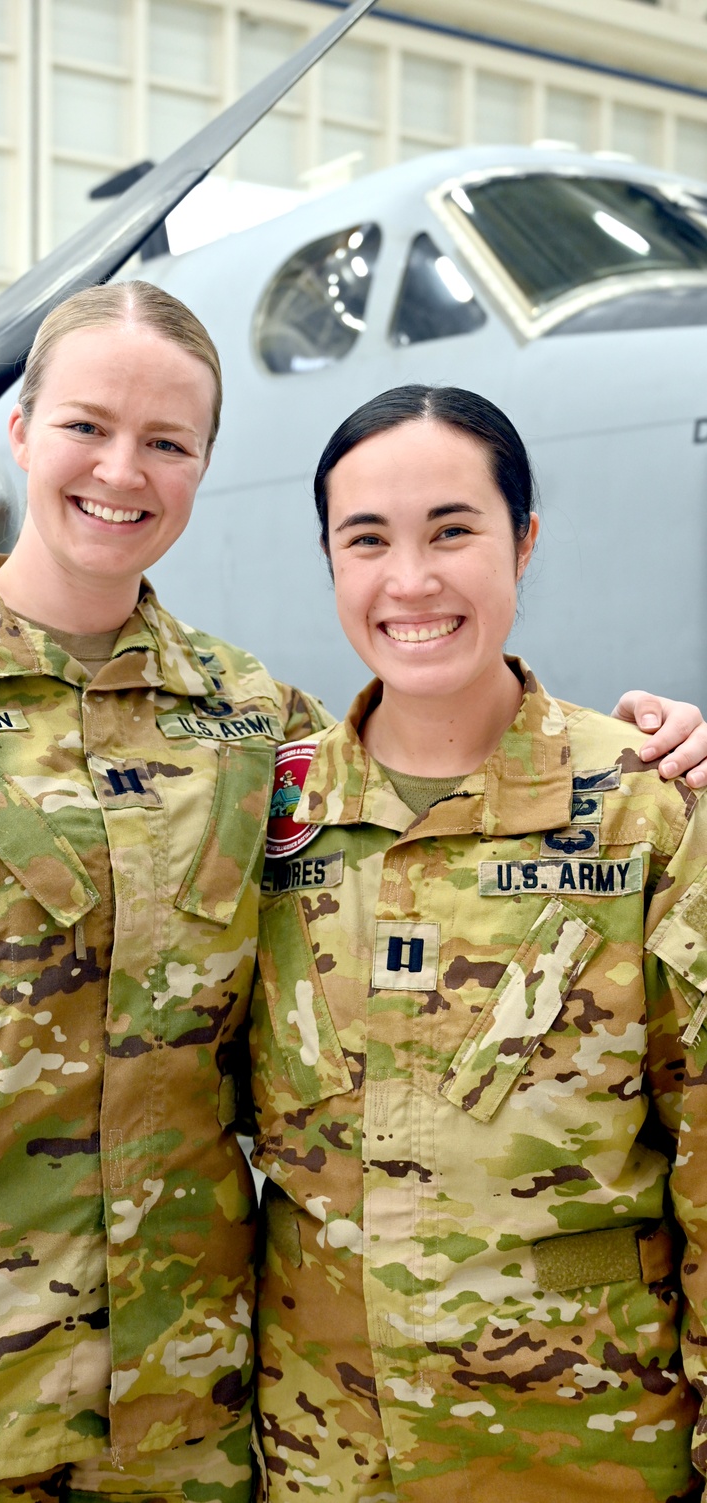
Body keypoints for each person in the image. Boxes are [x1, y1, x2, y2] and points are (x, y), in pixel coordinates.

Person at [0, 304, 700, 1503]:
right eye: (87, 425)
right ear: (19, 434)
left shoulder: (248, 724)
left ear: (204, 469)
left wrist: (656, 755)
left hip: (183, 1416)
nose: (123, 471)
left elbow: (434, 789)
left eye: (169, 442)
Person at [249, 384, 707, 1503]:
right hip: (326, 1444)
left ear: (523, 541)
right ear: (330, 559)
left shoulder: (642, 809)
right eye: (367, 541)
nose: (410, 581)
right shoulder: (261, 817)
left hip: (580, 1439)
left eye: (453, 530)